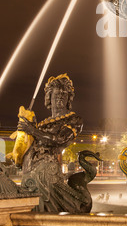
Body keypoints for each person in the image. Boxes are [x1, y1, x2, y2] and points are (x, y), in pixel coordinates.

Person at [16, 74, 88, 213]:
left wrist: (32, 130)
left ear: (69, 99)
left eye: (64, 95)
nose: (60, 97)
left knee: (47, 209)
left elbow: (59, 139)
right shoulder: (42, 124)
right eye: (56, 95)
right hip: (29, 173)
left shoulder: (74, 119)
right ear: (49, 97)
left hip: (46, 173)